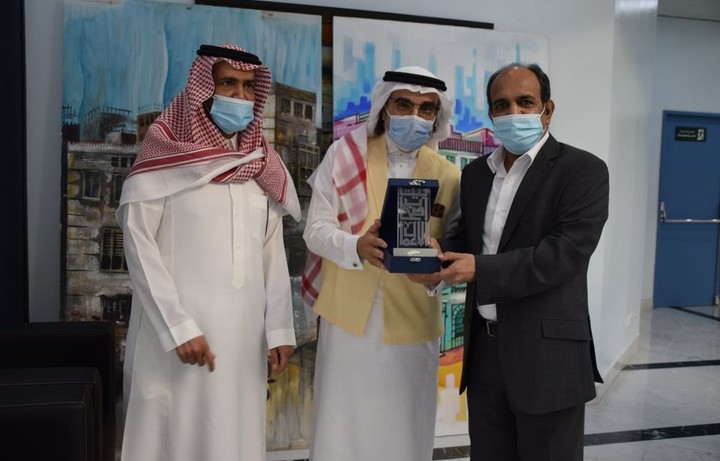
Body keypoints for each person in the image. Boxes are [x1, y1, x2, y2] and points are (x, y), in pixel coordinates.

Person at [117, 43, 300, 461]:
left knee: (234, 439)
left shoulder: (261, 165)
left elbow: (272, 254)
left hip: (243, 339)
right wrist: (177, 327)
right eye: (228, 83)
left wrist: (279, 331)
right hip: (178, 337)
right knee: (174, 439)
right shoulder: (164, 154)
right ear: (203, 89)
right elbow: (138, 244)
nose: (240, 95)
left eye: (249, 87)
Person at [429, 63, 609, 461]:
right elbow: (468, 240)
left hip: (548, 357)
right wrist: (431, 259)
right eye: (502, 104)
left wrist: (480, 269)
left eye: (525, 102)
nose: (514, 112)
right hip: (485, 355)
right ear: (491, 114)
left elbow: (563, 255)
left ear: (547, 109)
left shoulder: (584, 171)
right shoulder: (476, 175)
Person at [302, 66, 461, 461]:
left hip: (413, 325)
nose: (414, 116)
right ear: (385, 108)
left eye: (426, 109)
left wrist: (433, 275)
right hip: (348, 324)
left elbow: (452, 254)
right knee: (342, 430)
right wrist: (355, 245)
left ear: (436, 117)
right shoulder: (345, 154)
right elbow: (315, 230)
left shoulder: (449, 176)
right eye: (403, 104)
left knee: (404, 432)